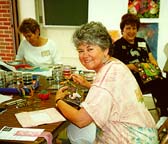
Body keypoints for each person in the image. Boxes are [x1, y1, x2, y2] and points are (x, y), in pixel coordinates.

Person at [55, 21, 158, 143]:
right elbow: (111, 92)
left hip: (130, 139)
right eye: (80, 51)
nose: (84, 55)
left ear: (105, 50)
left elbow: (81, 120)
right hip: (144, 134)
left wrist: (58, 101)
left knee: (74, 132)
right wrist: (88, 85)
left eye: (90, 49)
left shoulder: (107, 77)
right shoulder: (115, 64)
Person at [113, 13, 168, 117]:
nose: (131, 31)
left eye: (134, 28)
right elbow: (116, 67)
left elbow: (151, 58)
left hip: (148, 76)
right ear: (122, 29)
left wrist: (156, 68)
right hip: (131, 80)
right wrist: (134, 67)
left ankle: (163, 109)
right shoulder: (117, 45)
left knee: (163, 81)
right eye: (128, 28)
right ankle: (164, 112)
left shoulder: (142, 41)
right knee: (159, 84)